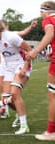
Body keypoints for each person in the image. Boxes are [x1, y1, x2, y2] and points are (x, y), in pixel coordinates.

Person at [26, 1, 55, 141]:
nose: (40, 14)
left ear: (45, 11)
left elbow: (50, 33)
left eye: (41, 11)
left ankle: (51, 131)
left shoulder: (48, 20)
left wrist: (36, 51)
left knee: (53, 97)